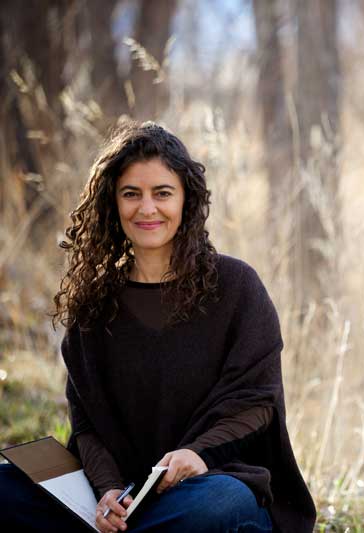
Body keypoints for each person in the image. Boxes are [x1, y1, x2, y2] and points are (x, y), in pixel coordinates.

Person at [0, 122, 316, 532]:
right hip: (122, 497)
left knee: (218, 503)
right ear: (112, 202)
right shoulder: (94, 304)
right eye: (131, 194)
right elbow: (87, 426)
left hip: (210, 481)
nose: (146, 209)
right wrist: (108, 490)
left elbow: (257, 402)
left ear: (186, 199)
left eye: (162, 193)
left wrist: (198, 455)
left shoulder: (236, 287)